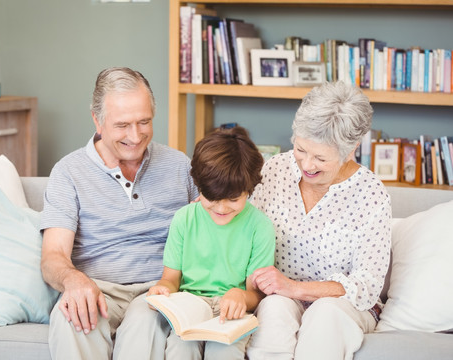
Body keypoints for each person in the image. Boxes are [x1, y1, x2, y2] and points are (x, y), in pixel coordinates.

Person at [40, 67, 199, 360]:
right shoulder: (68, 172)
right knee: (70, 319)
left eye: (144, 122)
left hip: (161, 289)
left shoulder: (179, 166)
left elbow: (214, 225)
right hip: (99, 290)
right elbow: (52, 257)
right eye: (122, 125)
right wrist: (73, 281)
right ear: (97, 121)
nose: (136, 136)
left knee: (148, 320)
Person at [247, 81, 392, 360]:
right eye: (301, 150)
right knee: (274, 309)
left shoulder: (371, 193)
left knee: (325, 313)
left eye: (320, 158)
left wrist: (296, 287)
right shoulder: (275, 169)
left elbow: (367, 283)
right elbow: (243, 225)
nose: (307, 165)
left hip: (343, 304)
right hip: (281, 297)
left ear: (351, 151)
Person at [147, 126, 276, 359]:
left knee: (225, 352)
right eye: (212, 198)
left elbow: (255, 295)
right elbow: (171, 279)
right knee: (179, 349)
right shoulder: (184, 218)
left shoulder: (260, 226)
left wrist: (240, 295)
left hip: (232, 311)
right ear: (198, 187)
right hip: (189, 306)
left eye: (233, 199)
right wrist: (163, 288)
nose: (221, 208)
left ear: (250, 189)